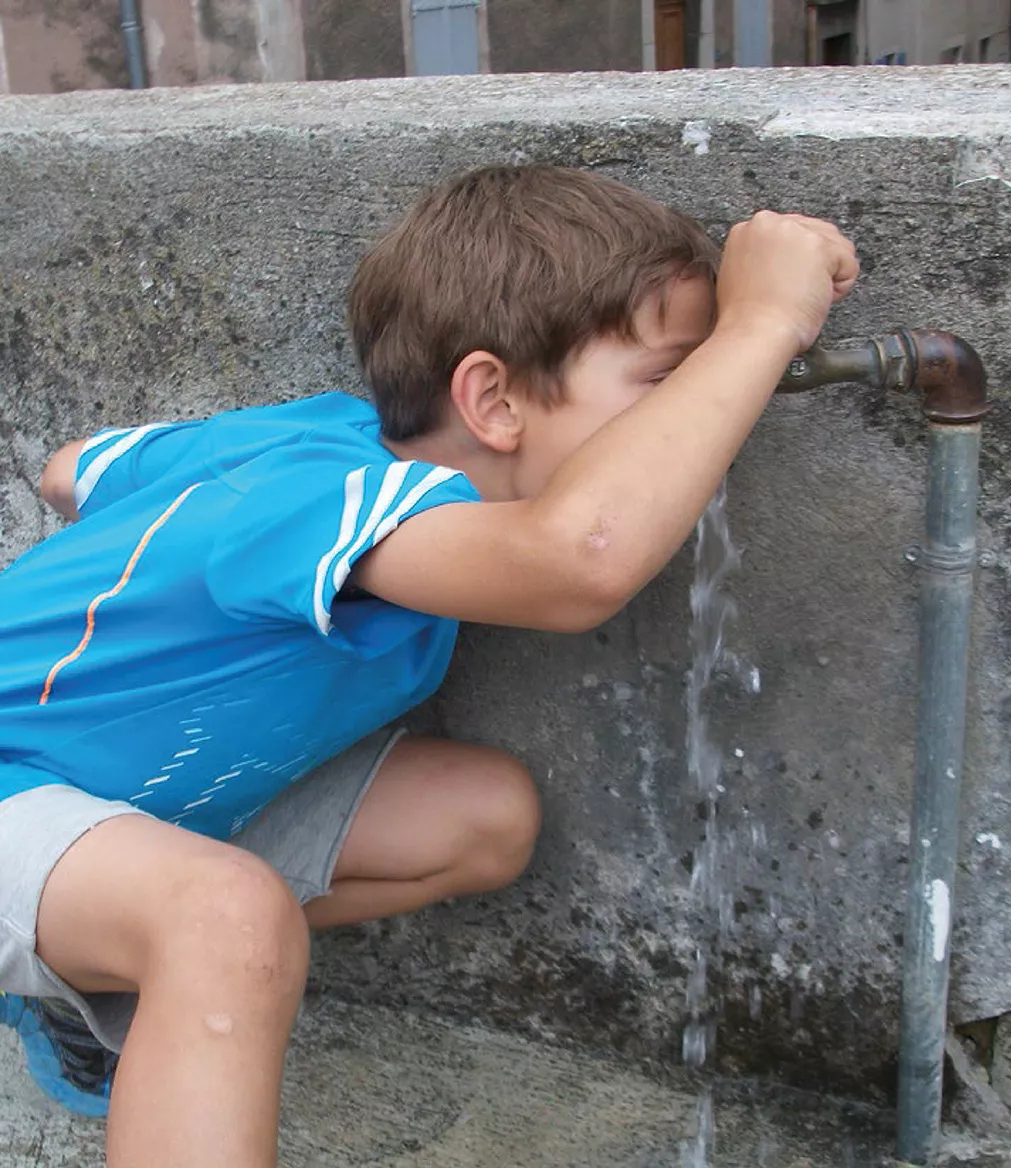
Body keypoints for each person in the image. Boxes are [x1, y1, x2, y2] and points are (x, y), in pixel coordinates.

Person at [0, 164, 858, 1167]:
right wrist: (760, 327)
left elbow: (71, 469)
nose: (698, 419)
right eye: (669, 383)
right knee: (222, 917)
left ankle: (85, 971)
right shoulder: (323, 497)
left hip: (107, 797)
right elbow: (579, 561)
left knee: (483, 819)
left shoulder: (307, 443)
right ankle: (155, 948)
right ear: (492, 399)